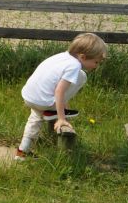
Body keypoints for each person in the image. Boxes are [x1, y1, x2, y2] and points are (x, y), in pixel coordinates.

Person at [14, 32, 107, 161]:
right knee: (82, 76)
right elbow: (59, 91)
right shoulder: (74, 66)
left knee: (35, 117)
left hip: (29, 96)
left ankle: (22, 152)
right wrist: (61, 118)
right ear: (83, 57)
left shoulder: (62, 56)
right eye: (96, 62)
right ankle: (55, 110)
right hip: (44, 102)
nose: (97, 66)